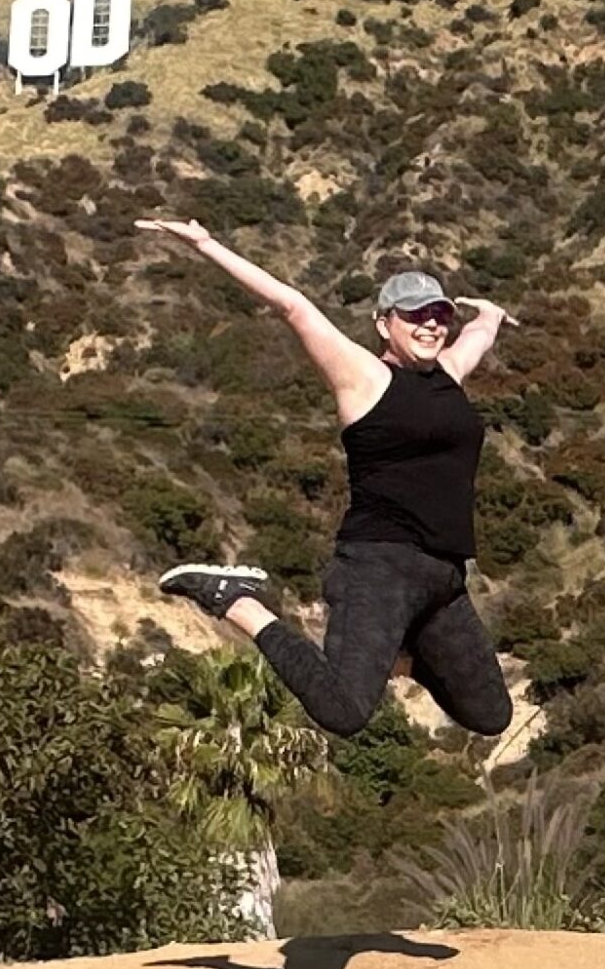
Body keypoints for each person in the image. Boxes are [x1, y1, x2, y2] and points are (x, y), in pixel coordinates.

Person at [136, 219, 518, 742]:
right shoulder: (363, 377)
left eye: (438, 316)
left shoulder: (447, 375)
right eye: (415, 317)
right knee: (344, 711)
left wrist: (489, 315)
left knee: (491, 715)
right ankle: (235, 600)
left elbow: (476, 334)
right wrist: (207, 245)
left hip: (444, 580)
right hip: (377, 568)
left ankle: (394, 652)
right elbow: (294, 306)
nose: (431, 326)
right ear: (385, 324)